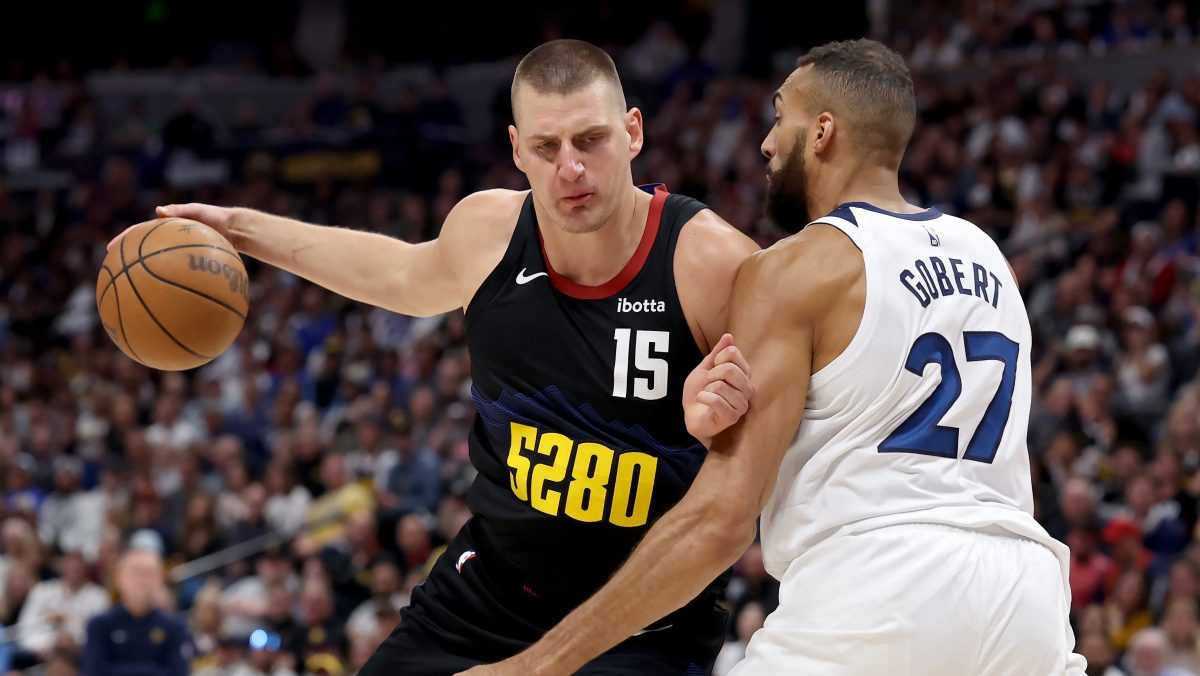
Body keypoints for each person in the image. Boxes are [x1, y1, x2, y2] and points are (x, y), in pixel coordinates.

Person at [119, 39, 757, 674]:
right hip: (491, 592)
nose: (570, 168)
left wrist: (711, 436)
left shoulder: (711, 264)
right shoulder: (488, 233)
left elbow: (747, 492)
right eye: (546, 147)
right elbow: (395, 272)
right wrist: (238, 228)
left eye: (590, 140)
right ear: (516, 150)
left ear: (633, 132)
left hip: (646, 622)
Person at [464, 39, 1087, 676]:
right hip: (1027, 595)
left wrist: (534, 666)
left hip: (883, 587)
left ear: (822, 133)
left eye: (780, 116)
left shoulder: (794, 269)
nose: (765, 142)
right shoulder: (988, 257)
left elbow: (722, 518)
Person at [82, 548, 191, 675]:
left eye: (149, 573)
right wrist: (153, 669)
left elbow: (177, 672)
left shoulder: (175, 627)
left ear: (161, 579)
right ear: (119, 577)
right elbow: (94, 671)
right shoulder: (99, 625)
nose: (142, 580)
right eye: (135, 572)